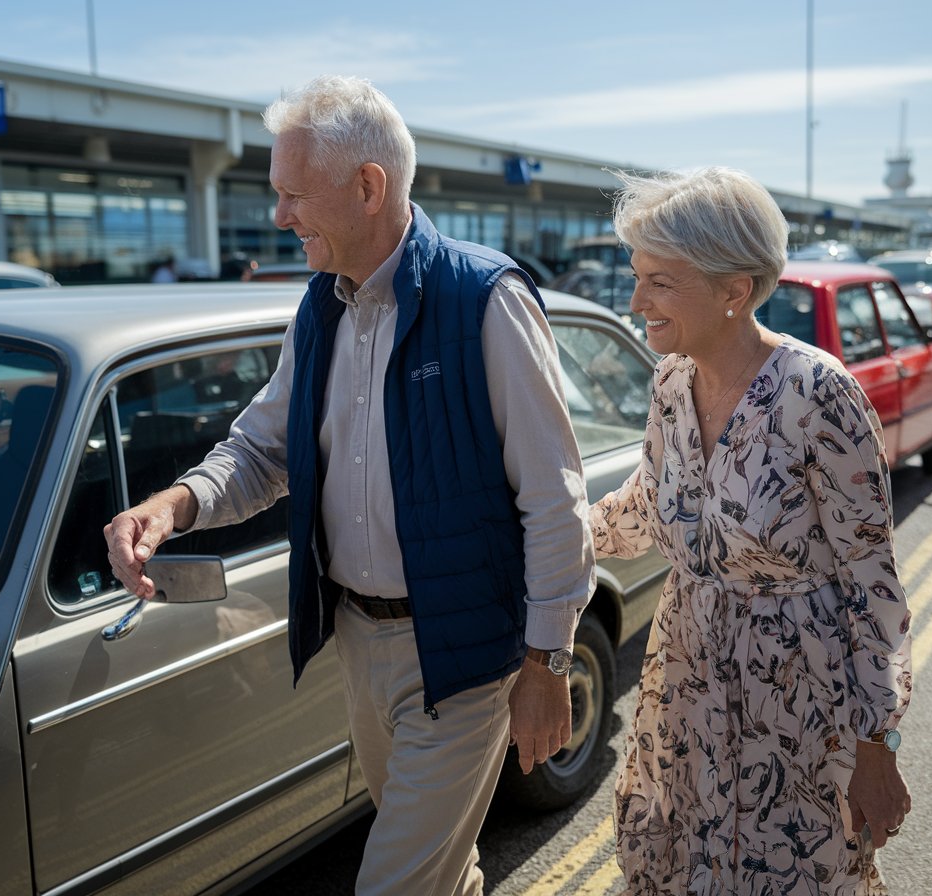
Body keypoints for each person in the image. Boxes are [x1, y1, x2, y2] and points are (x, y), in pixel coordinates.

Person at [104, 75, 594, 896]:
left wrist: (547, 661)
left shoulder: (486, 300)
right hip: (360, 643)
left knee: (396, 885)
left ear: (368, 187)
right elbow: (263, 449)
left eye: (293, 195)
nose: (280, 216)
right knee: (444, 872)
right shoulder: (319, 307)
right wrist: (172, 505)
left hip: (465, 656)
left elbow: (554, 498)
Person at [588, 167, 912, 895]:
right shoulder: (671, 380)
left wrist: (877, 744)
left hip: (796, 710)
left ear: (735, 290)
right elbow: (648, 503)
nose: (636, 301)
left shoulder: (819, 394)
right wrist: (551, 537)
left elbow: (873, 586)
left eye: (660, 282)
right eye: (638, 277)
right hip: (685, 692)